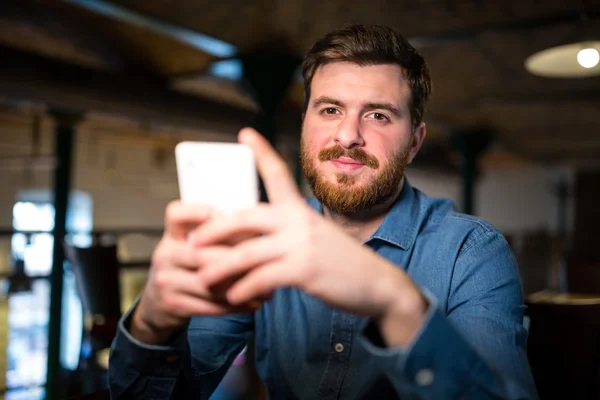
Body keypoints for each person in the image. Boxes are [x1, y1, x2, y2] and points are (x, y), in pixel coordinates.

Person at [108, 25, 538, 399]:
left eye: (378, 115)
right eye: (330, 109)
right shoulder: (262, 239)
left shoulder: (472, 251)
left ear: (414, 142)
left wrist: (396, 303)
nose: (348, 135)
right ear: (305, 127)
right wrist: (151, 326)